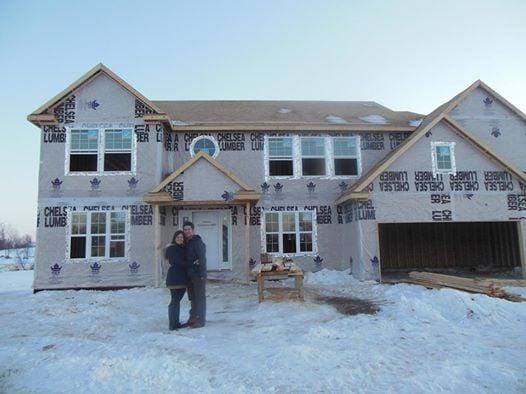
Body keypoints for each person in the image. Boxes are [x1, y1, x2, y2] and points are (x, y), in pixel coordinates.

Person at [183, 221, 207, 328]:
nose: (187, 231)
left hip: (198, 274)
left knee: (200, 297)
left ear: (193, 230)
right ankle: (193, 317)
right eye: (185, 229)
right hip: (189, 274)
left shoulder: (197, 241)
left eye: (189, 229)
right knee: (192, 298)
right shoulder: (186, 242)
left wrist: (202, 274)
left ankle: (201, 320)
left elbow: (202, 258)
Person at [164, 230, 189, 330]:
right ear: (174, 238)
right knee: (174, 301)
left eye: (182, 237)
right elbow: (177, 261)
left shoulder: (182, 248)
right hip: (175, 278)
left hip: (182, 279)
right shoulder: (172, 248)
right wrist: (191, 263)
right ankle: (172, 324)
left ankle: (176, 322)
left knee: (177, 301)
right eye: (178, 237)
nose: (180, 239)